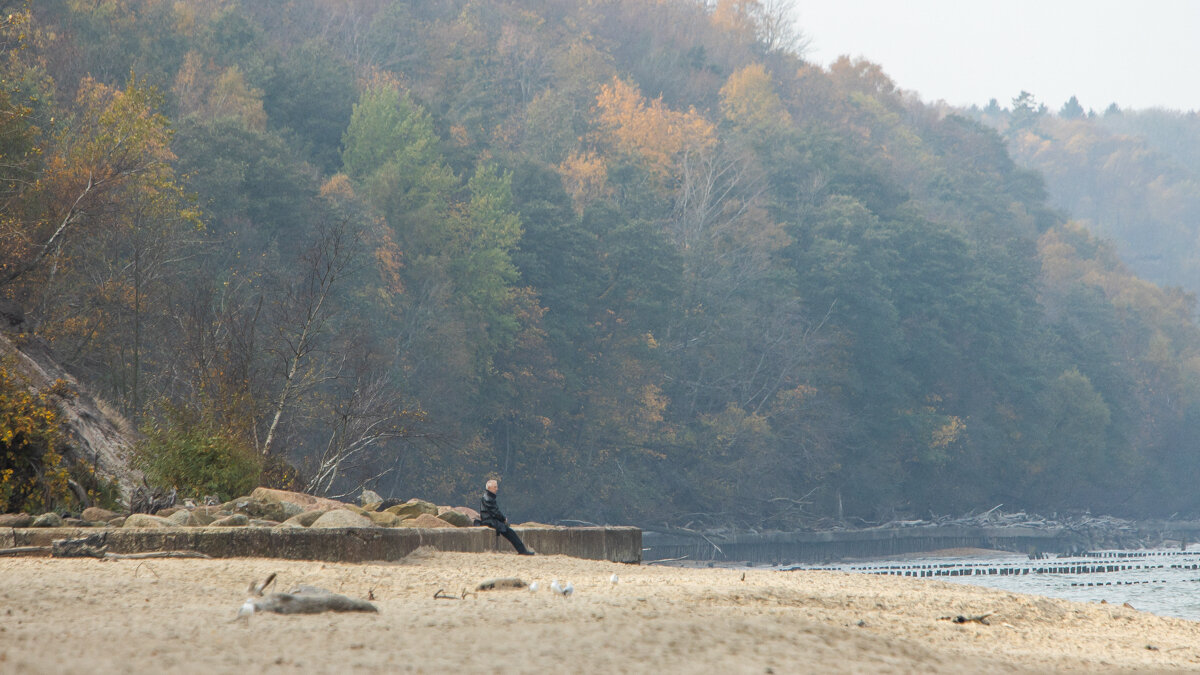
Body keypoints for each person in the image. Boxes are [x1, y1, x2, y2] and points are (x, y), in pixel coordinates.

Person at [479, 479, 534, 555]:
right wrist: (503, 519)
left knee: (508, 530)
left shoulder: (488, 496)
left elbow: (494, 512)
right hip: (489, 521)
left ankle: (522, 550)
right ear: (489, 488)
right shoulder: (488, 498)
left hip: (489, 520)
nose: (497, 489)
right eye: (495, 487)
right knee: (510, 532)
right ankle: (522, 551)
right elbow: (495, 512)